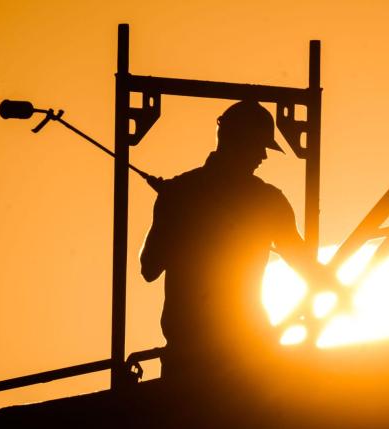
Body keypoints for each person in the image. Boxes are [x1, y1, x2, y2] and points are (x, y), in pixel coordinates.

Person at [139, 100, 335, 384]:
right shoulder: (267, 201)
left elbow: (149, 266)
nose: (263, 157)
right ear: (238, 143)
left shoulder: (180, 193)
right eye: (259, 147)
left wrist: (175, 209)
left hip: (192, 356)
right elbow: (306, 266)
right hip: (243, 353)